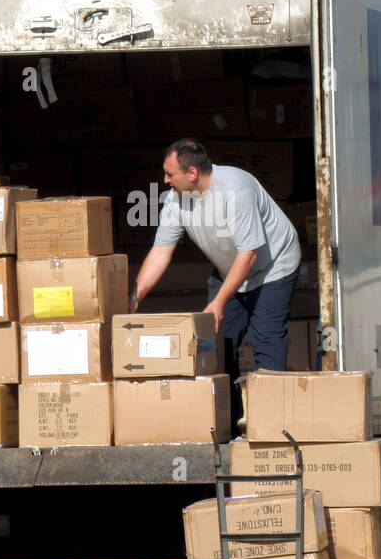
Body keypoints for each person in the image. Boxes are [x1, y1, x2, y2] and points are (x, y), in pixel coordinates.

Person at [129, 139, 302, 427]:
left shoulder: (235, 190)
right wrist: (134, 297)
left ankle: (268, 424)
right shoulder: (176, 200)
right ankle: (229, 422)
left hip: (272, 268)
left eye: (170, 174)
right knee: (215, 345)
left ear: (192, 173)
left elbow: (249, 254)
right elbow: (161, 252)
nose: (165, 180)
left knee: (266, 339)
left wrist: (219, 302)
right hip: (229, 269)